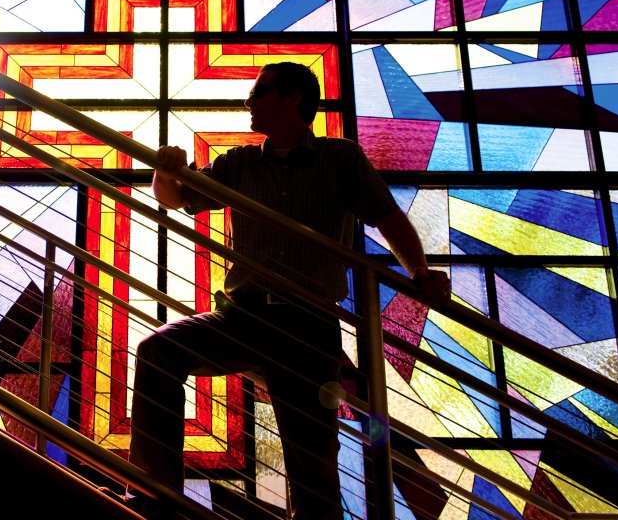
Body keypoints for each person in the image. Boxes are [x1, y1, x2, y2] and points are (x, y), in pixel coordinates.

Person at [125, 62, 451, 519]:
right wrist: (165, 171)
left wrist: (419, 272)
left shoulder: (341, 159)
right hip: (243, 315)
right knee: (158, 351)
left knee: (312, 461)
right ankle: (154, 494)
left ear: (293, 97)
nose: (249, 102)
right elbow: (180, 199)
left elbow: (387, 216)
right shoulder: (240, 162)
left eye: (259, 91)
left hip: (308, 324)